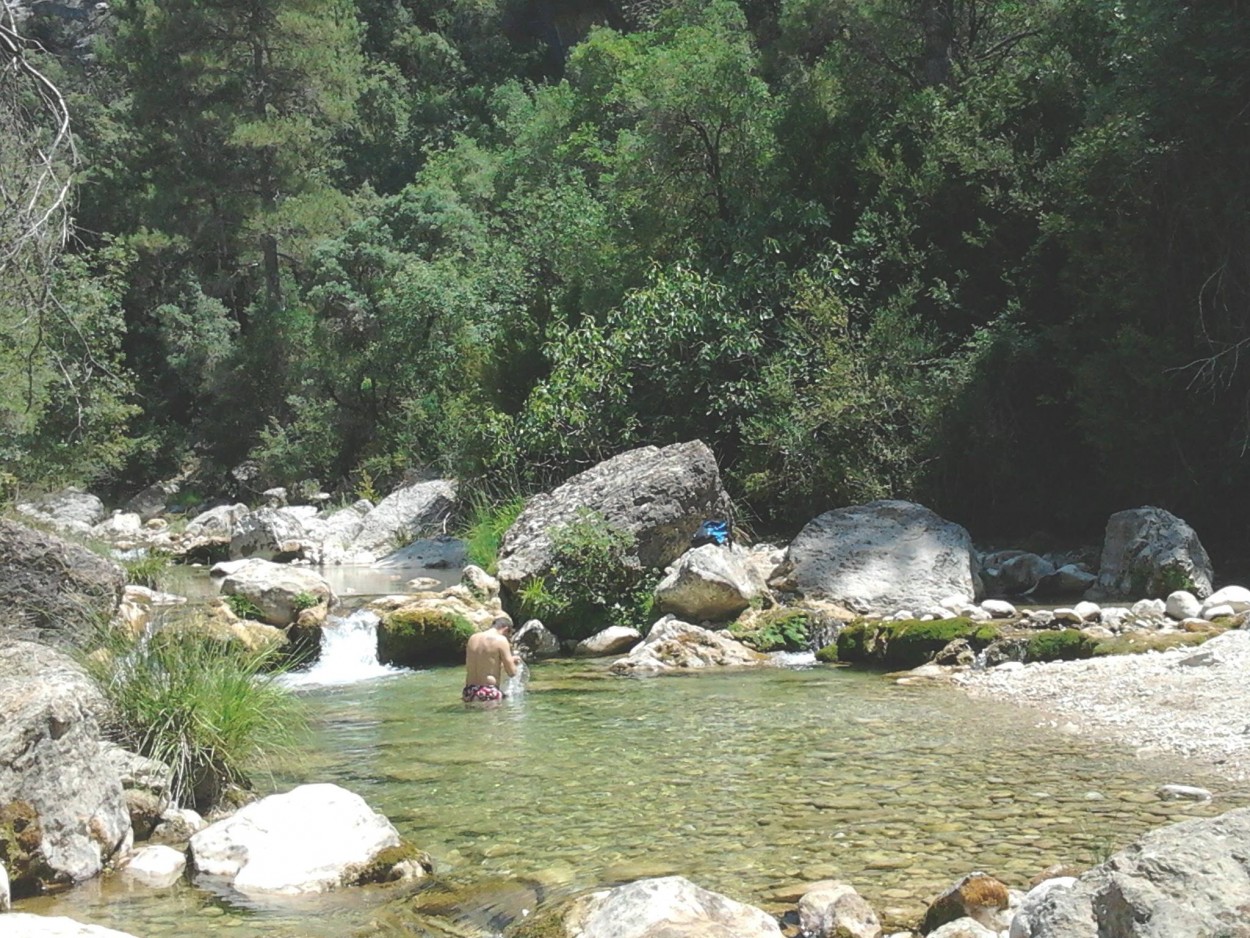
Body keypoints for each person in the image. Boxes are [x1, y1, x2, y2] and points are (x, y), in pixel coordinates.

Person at [462, 616, 520, 703]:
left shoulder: (473, 638)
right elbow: (512, 672)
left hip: (469, 691)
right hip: (488, 692)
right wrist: (513, 662)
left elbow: (485, 665)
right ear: (506, 630)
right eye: (509, 635)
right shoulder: (501, 640)